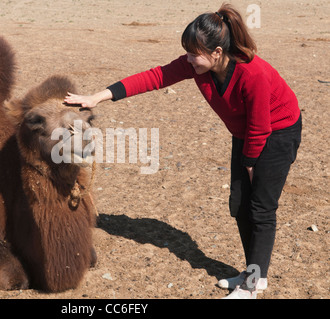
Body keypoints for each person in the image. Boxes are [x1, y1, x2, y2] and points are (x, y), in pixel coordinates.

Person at [65, 3, 301, 299]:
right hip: (246, 133)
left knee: (261, 207)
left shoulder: (253, 74)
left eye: (194, 53)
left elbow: (260, 126)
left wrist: (251, 165)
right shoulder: (197, 67)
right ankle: (254, 272)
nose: (188, 59)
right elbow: (154, 77)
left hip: (277, 132)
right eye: (187, 52)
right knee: (239, 205)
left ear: (217, 52)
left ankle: (253, 284)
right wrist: (98, 97)